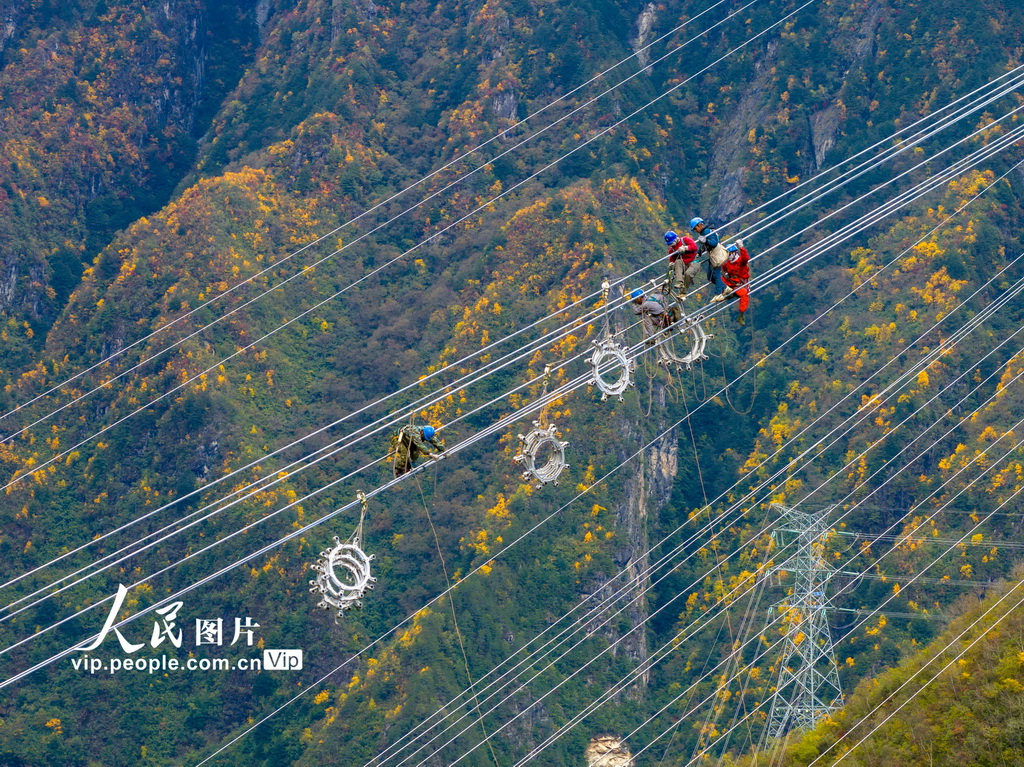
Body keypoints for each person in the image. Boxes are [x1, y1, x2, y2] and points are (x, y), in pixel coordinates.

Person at [713, 240, 750, 324]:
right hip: (730, 284)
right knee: (718, 278)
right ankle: (723, 294)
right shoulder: (727, 264)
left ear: (734, 253)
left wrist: (741, 247)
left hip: (739, 285)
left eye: (729, 254)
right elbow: (723, 269)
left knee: (744, 294)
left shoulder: (741, 261)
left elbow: (745, 258)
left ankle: (741, 315)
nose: (728, 256)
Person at [689, 217, 728, 297]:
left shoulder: (707, 231)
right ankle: (725, 288)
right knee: (710, 276)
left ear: (699, 225)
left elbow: (714, 243)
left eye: (695, 229)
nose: (696, 231)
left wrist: (705, 241)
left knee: (715, 274)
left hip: (716, 256)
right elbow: (705, 245)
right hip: (713, 257)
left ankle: (718, 294)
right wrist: (699, 252)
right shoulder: (704, 232)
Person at [665, 230, 700, 298]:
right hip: (684, 266)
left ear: (675, 239)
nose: (671, 245)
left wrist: (686, 248)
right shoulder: (672, 250)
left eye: (671, 243)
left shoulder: (685, 240)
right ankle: (680, 282)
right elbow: (672, 259)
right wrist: (671, 264)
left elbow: (695, 247)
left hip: (694, 262)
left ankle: (683, 292)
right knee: (677, 262)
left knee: (688, 274)